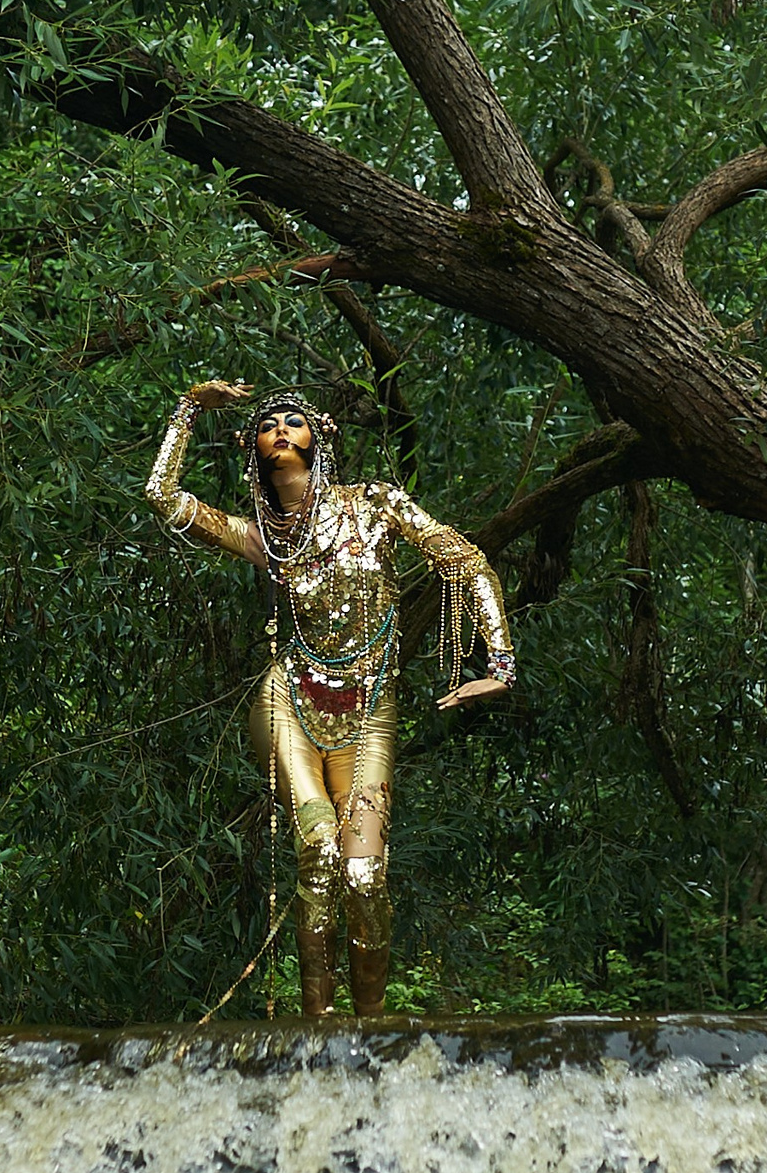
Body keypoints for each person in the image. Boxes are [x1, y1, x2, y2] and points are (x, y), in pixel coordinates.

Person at [146, 380, 514, 1018]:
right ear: (254, 449)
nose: (280, 429)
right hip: (290, 699)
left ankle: (371, 1026)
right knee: (316, 851)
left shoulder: (374, 505)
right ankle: (315, 1023)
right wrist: (188, 409)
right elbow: (162, 496)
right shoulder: (266, 539)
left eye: (293, 420)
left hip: (368, 707)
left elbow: (464, 560)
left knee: (364, 876)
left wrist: (499, 663)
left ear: (319, 438)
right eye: (268, 424)